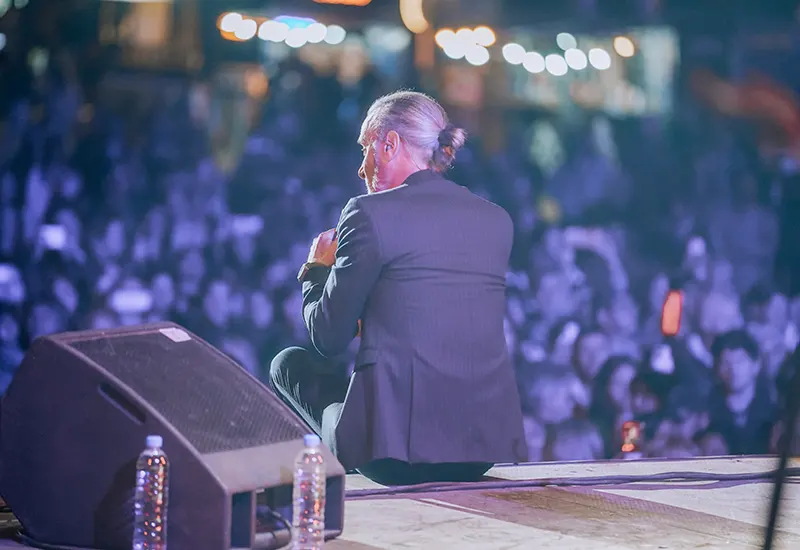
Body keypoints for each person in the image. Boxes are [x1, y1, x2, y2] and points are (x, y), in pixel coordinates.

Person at [269, 91, 528, 485]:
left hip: (393, 457)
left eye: (365, 149)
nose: (361, 169)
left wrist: (316, 269)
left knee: (287, 364)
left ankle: (331, 468)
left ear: (389, 144)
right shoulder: (496, 219)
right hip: (477, 452)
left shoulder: (367, 212)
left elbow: (328, 337)